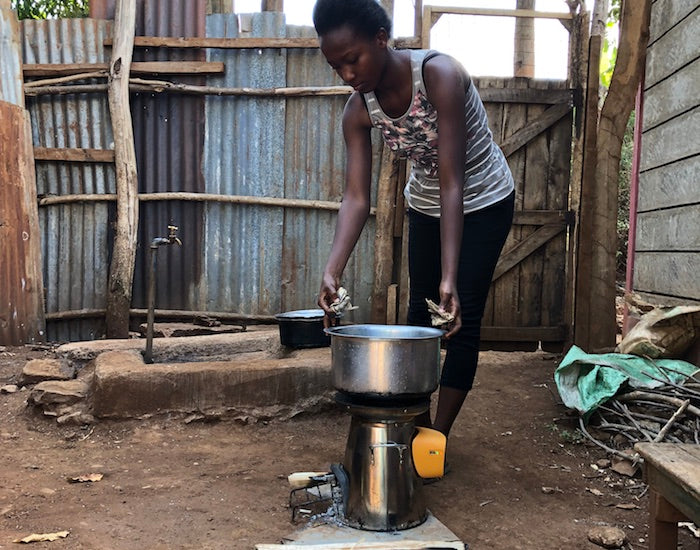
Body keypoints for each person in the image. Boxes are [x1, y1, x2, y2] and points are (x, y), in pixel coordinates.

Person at [313, 0, 515, 441]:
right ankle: (415, 430)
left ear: (381, 39)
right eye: (335, 66)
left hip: (484, 200)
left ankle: (437, 438)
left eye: (353, 59)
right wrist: (332, 269)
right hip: (425, 203)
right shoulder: (358, 110)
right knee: (418, 317)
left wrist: (450, 276)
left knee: (459, 315)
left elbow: (453, 184)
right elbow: (356, 198)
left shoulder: (439, 75)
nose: (347, 74)